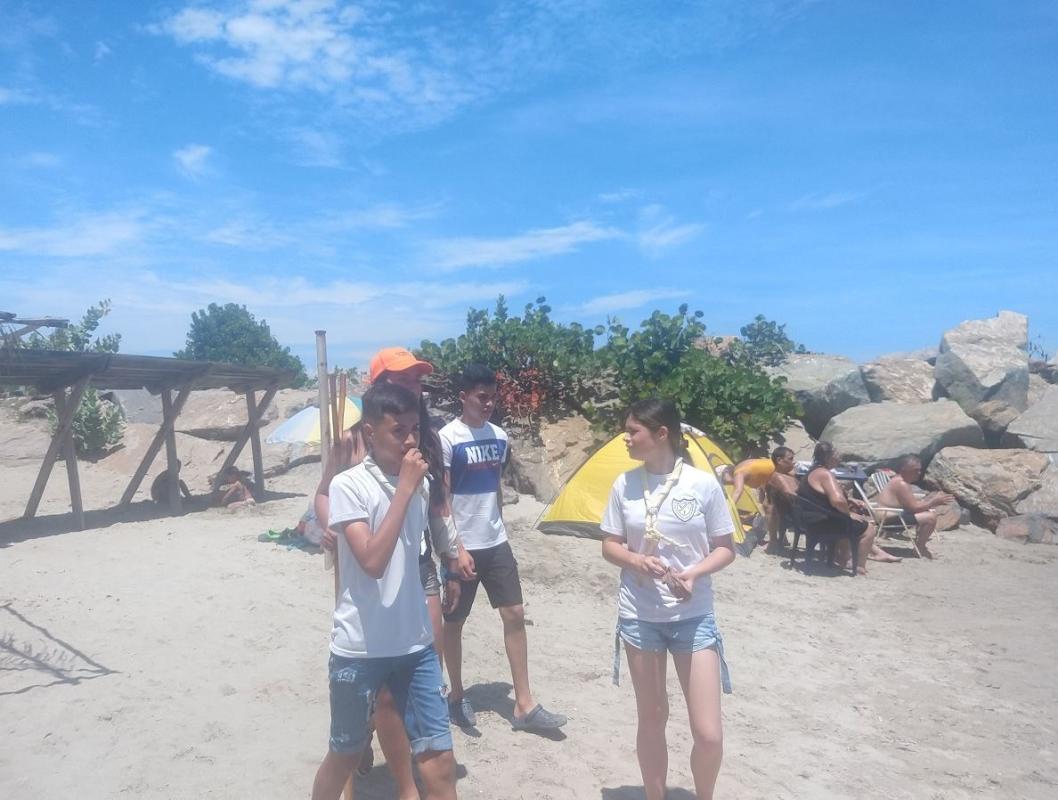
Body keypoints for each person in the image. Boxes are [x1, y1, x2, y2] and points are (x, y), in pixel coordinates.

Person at [314, 347, 471, 796]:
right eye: (403, 380)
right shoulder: (352, 462)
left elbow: (434, 516)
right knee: (344, 753)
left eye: (413, 429)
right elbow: (370, 556)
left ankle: (408, 787)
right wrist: (333, 528)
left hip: (414, 640)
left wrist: (451, 562)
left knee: (440, 758)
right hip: (360, 643)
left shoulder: (420, 465)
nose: (409, 438)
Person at [600, 398, 736, 800]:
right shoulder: (624, 484)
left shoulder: (703, 484)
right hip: (640, 615)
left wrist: (695, 573)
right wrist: (637, 560)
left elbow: (725, 547)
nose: (626, 438)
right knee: (653, 716)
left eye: (633, 431)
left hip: (693, 617)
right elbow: (609, 546)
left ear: (662, 434)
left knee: (708, 733)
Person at [439, 363, 566, 733]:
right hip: (460, 547)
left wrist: (495, 526)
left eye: (493, 397)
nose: (489, 403)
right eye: (482, 397)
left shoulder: (499, 436)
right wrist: (455, 549)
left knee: (514, 613)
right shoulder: (448, 438)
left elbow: (493, 487)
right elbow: (443, 500)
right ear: (464, 397)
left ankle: (524, 705)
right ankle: (457, 695)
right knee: (454, 622)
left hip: (496, 542)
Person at [795, 442, 884, 574]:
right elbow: (837, 500)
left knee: (850, 521)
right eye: (837, 455)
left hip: (809, 519)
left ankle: (843, 558)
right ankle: (859, 566)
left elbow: (821, 497)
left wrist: (849, 501)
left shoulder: (812, 472)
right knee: (868, 529)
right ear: (828, 457)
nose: (840, 458)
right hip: (822, 523)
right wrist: (848, 514)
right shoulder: (825, 474)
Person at [874, 455, 954, 559]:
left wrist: (928, 503)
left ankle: (919, 546)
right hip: (888, 518)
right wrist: (933, 502)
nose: (919, 473)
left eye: (919, 470)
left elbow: (911, 504)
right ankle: (920, 547)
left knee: (928, 513)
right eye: (915, 470)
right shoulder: (901, 484)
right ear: (904, 470)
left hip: (890, 515)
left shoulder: (899, 481)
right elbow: (914, 508)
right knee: (930, 518)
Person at [762, 447, 797, 550]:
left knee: (769, 505)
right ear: (779, 460)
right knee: (769, 505)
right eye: (790, 459)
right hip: (789, 508)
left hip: (792, 510)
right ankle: (776, 539)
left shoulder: (786, 475)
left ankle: (774, 540)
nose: (793, 462)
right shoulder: (779, 476)